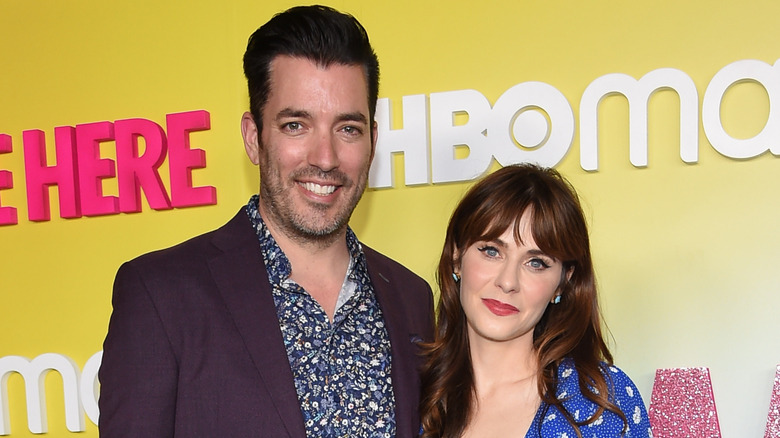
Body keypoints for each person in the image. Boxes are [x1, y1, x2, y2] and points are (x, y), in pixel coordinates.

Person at [98, 5, 434, 437]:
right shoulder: (160, 295)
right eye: (296, 125)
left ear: (372, 139)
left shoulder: (412, 299)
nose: (325, 158)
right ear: (254, 138)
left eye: (347, 129)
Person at [419, 164, 652, 438]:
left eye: (536, 263)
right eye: (491, 251)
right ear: (457, 257)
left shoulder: (598, 403)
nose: (508, 282)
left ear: (563, 281)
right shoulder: (411, 394)